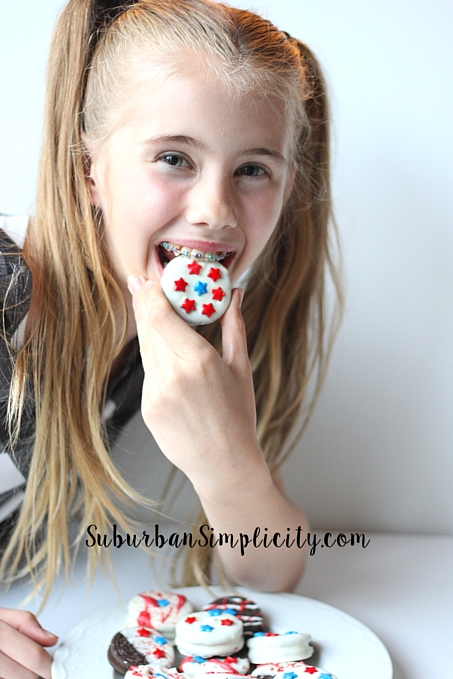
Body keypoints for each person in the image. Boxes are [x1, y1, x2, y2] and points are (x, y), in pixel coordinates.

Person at [0, 0, 342, 676]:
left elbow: (272, 573)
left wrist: (228, 459)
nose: (215, 211)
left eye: (252, 170)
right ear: (87, 170)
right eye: (174, 158)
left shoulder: (190, 344)